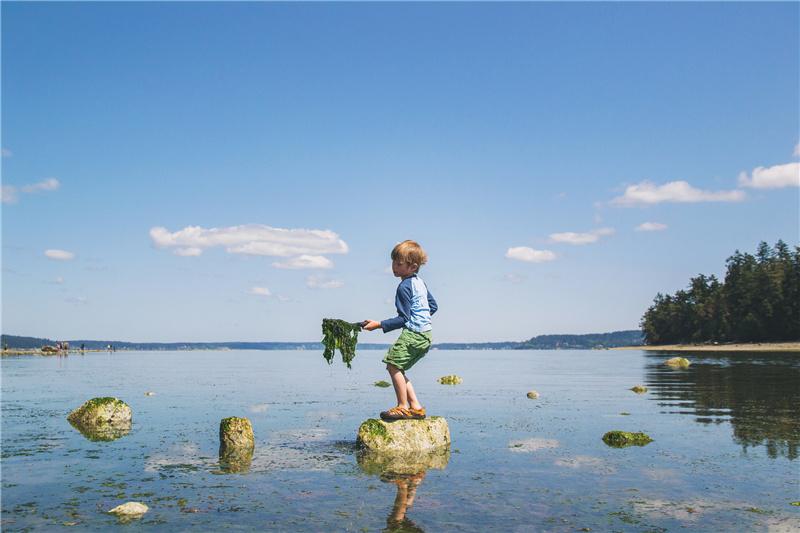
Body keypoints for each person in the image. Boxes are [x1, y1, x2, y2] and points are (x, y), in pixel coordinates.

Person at [363, 240, 438, 421]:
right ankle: (416, 408)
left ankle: (402, 407)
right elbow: (433, 306)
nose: (394, 267)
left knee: (392, 365)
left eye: (399, 264)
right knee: (399, 368)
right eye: (393, 262)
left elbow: (403, 318)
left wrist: (378, 324)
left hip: (413, 334)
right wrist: (422, 318)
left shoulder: (404, 287)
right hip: (426, 335)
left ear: (412, 266)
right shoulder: (420, 283)